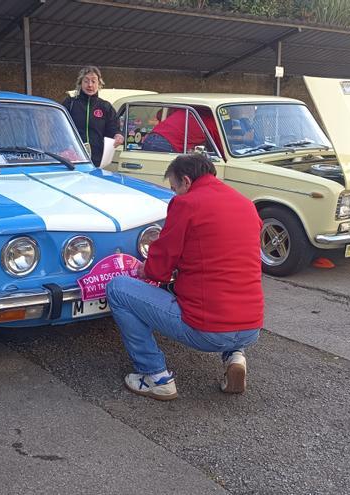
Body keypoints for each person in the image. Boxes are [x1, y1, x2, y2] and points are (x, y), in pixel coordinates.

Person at [106, 153, 264, 401]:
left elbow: (159, 270)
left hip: (207, 331)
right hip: (252, 328)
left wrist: (142, 268)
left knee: (118, 289)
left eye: (174, 188)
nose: (175, 194)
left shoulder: (187, 204)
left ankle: (155, 377)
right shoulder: (246, 204)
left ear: (187, 181)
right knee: (230, 285)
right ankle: (235, 356)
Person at [61, 66, 123, 167]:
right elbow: (59, 128)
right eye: (86, 81)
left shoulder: (105, 106)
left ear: (99, 84)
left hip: (97, 160)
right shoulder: (70, 103)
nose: (90, 85)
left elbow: (113, 129)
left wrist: (118, 135)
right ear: (80, 83)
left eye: (93, 81)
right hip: (73, 159)